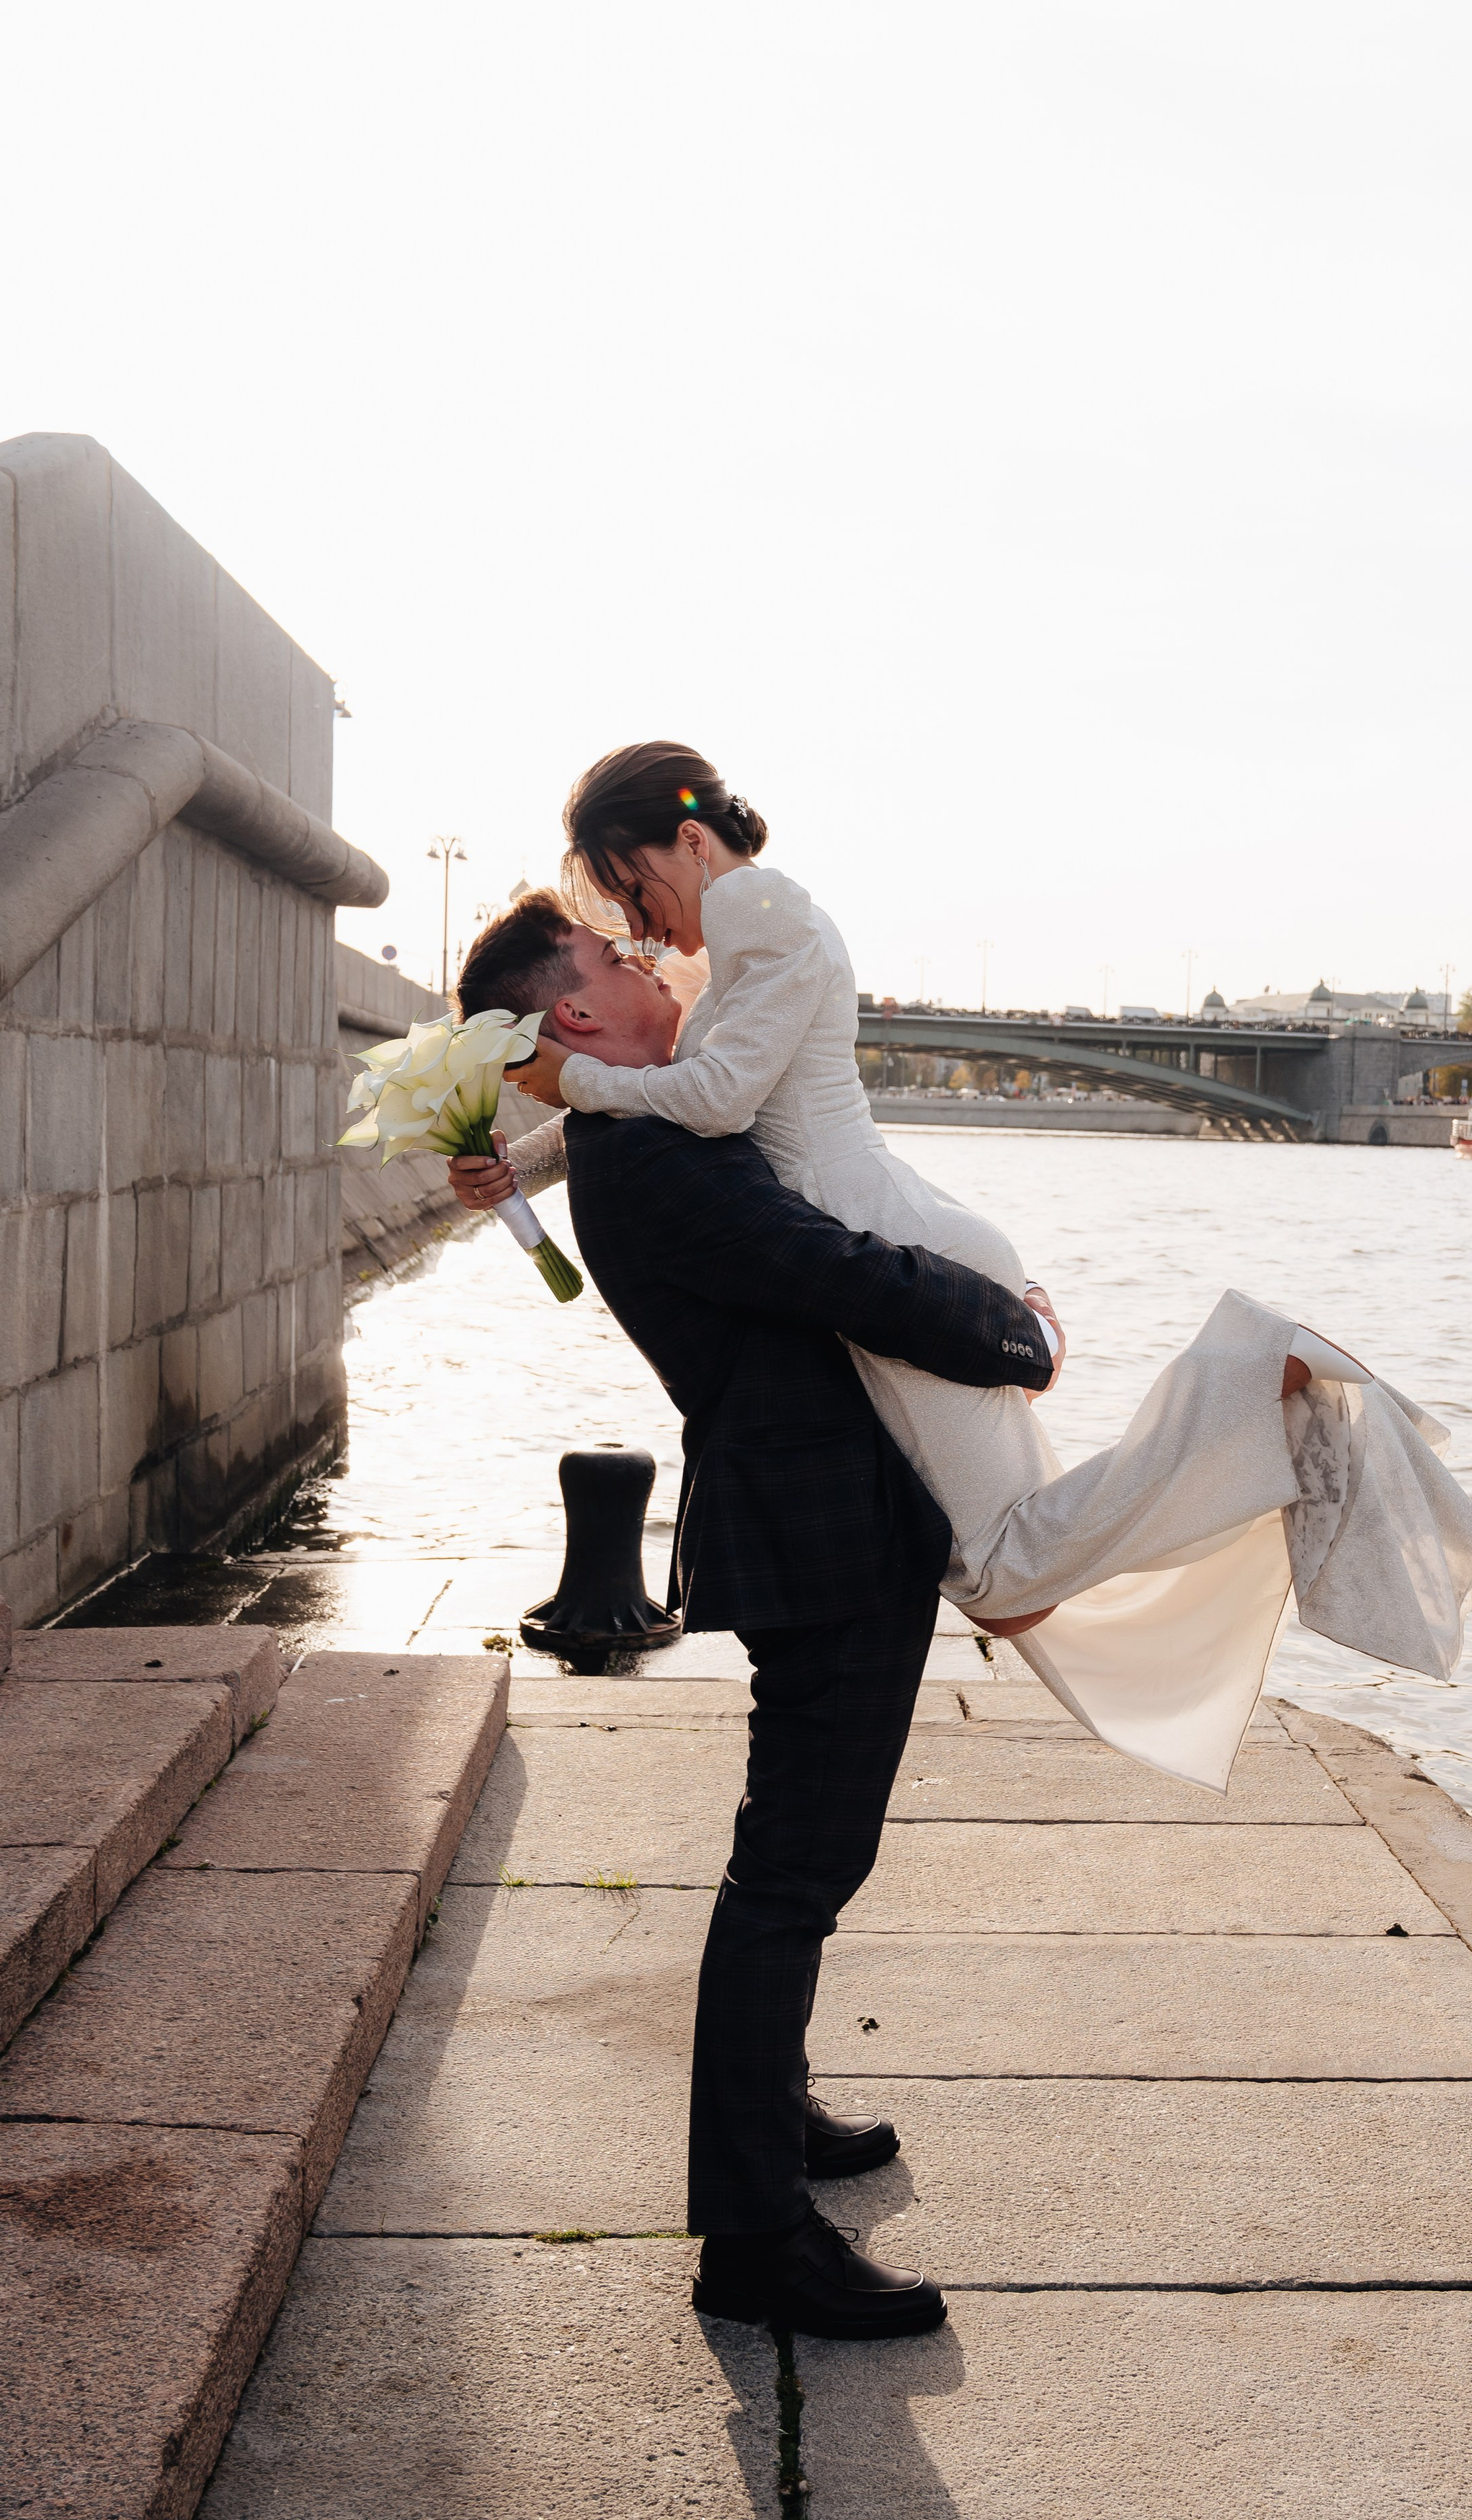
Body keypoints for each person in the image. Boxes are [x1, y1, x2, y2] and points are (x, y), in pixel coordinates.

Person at [494, 743, 1472, 1791]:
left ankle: (1250, 1368)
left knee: (1004, 1570)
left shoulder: (762, 917)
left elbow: (715, 1102)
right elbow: (686, 1081)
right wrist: (522, 1159)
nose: (637, 922)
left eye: (631, 884)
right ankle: (1252, 1385)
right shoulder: (747, 923)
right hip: (897, 1220)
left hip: (880, 1235)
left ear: (689, 839)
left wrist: (574, 1075)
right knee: (1007, 1584)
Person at [450, 896, 1066, 2339]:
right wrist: (1007, 1324)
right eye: (611, 960)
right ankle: (751, 2239)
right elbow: (830, 1269)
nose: (647, 961)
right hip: (816, 1530)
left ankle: (771, 2118)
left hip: (819, 1514)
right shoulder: (653, 1154)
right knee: (790, 1872)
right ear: (578, 1018)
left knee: (792, 1858)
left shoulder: (636, 1129)